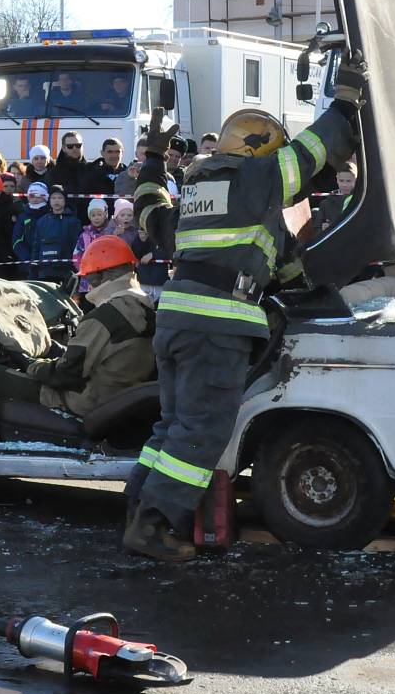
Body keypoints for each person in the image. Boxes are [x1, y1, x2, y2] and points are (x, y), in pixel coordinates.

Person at [124, 90, 358, 562]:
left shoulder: (198, 193)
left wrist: (152, 158)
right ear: (259, 151)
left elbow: (150, 210)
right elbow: (312, 152)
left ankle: (138, 509)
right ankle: (153, 526)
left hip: (177, 320)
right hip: (217, 325)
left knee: (173, 426)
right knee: (203, 431)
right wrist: (346, 104)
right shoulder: (256, 180)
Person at [0, 235, 156, 446]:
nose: (89, 285)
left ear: (99, 276)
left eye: (90, 278)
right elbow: (100, 356)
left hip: (84, 400)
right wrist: (55, 352)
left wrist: (31, 365)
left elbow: (65, 375)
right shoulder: (146, 308)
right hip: (116, 397)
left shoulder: (104, 317)